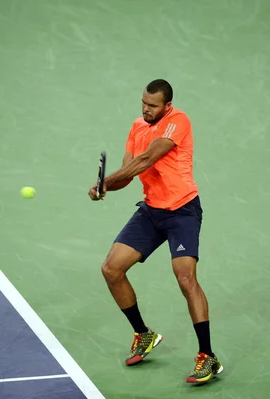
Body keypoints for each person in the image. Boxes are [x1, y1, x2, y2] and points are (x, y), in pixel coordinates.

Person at [88, 79, 223, 384]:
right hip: (152, 210)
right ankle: (143, 333)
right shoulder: (137, 126)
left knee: (186, 278)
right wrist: (106, 187)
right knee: (111, 269)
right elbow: (128, 172)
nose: (146, 110)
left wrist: (105, 181)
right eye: (143, 103)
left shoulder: (178, 121)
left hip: (183, 211)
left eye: (153, 106)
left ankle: (208, 357)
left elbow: (148, 159)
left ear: (167, 106)